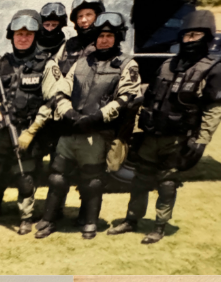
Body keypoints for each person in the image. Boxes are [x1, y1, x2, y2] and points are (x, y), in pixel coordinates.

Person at [109, 9, 221, 244]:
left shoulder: (214, 69)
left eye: (196, 35)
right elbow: (150, 94)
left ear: (207, 37)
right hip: (150, 135)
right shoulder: (167, 65)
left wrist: (201, 141)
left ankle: (159, 226)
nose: (190, 40)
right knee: (139, 181)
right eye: (187, 35)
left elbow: (214, 110)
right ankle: (131, 220)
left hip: (177, 139)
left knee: (166, 185)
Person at [37, 12, 142, 239]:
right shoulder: (82, 62)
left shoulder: (127, 64)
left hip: (97, 132)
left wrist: (97, 117)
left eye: (109, 36)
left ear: (118, 37)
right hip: (71, 128)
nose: (104, 40)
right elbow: (61, 90)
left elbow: (127, 97)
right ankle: (49, 219)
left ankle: (89, 222)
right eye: (101, 36)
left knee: (92, 181)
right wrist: (70, 114)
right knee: (56, 176)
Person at [0, 9, 54, 233]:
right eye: (19, 34)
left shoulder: (46, 64)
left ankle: (26, 218)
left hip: (27, 133)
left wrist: (32, 130)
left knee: (25, 177)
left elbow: (52, 101)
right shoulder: (0, 63)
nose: (23, 38)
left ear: (35, 36)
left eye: (28, 34)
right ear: (11, 36)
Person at [41, 0, 103, 100]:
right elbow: (52, 71)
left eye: (88, 15)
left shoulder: (106, 44)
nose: (84, 20)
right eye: (80, 16)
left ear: (97, 16)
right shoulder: (68, 46)